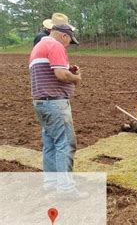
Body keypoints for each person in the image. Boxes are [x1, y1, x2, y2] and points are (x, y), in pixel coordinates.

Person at [29, 22, 84, 196]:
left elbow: (52, 70)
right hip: (55, 104)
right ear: (64, 36)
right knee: (65, 144)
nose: (68, 45)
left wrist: (68, 69)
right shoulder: (55, 45)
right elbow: (60, 74)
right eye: (69, 41)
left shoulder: (40, 46)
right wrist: (75, 77)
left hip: (41, 103)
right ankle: (66, 189)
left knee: (50, 143)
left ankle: (51, 182)